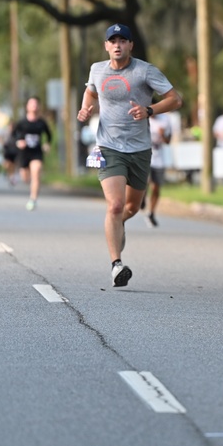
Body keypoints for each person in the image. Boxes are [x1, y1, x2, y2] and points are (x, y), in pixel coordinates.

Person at [77, 23, 183, 288]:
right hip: (107, 147)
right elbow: (90, 91)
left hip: (139, 149)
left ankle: (114, 225)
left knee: (131, 208)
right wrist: (85, 109)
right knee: (114, 205)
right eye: (112, 41)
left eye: (122, 40)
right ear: (106, 46)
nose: (117, 45)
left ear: (130, 45)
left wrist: (149, 110)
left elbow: (175, 99)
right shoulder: (97, 69)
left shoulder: (144, 71)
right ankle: (116, 265)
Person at [13, 97, 53, 211]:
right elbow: (13, 134)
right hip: (24, 153)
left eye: (36, 104)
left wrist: (47, 144)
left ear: (38, 107)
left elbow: (49, 135)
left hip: (36, 152)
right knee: (25, 178)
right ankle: (30, 184)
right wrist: (18, 142)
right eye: (32, 104)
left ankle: (33, 199)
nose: (34, 106)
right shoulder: (22, 122)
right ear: (27, 107)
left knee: (36, 173)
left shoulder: (41, 122)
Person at [144, 111, 173, 227]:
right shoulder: (142, 117)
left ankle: (151, 212)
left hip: (158, 158)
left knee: (156, 187)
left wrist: (163, 135)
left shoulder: (165, 120)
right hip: (144, 156)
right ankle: (141, 198)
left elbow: (168, 141)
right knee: (144, 181)